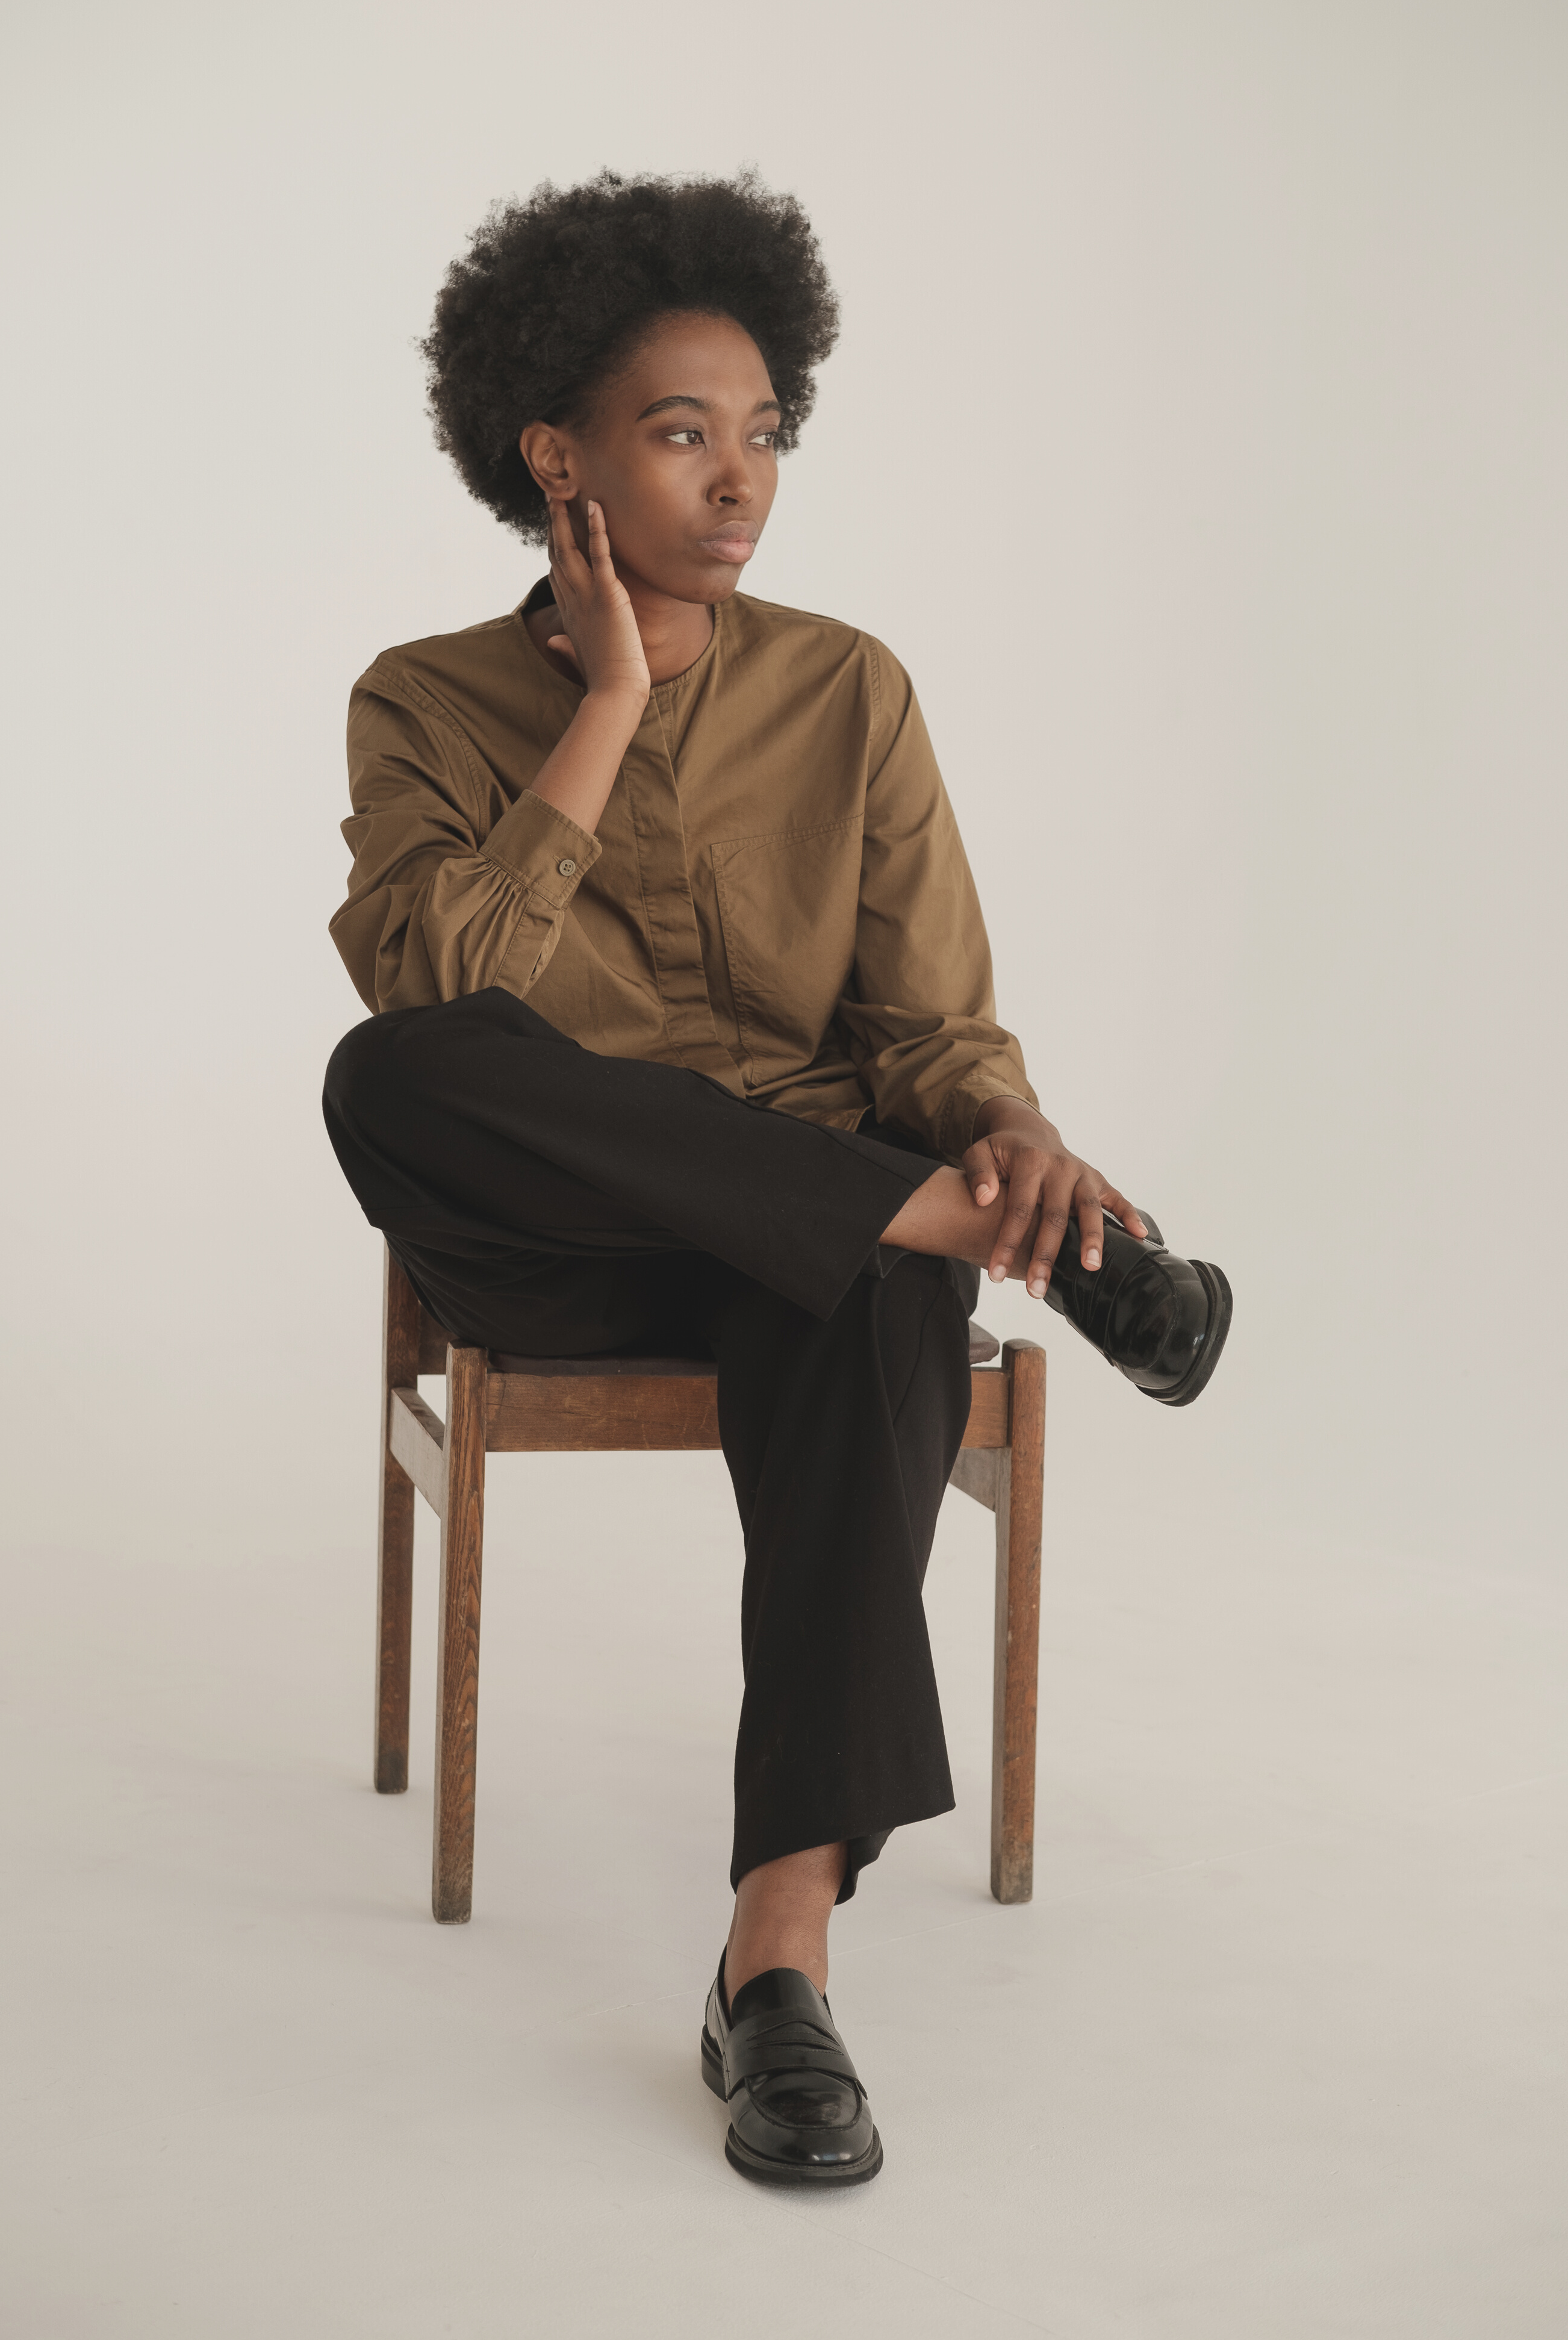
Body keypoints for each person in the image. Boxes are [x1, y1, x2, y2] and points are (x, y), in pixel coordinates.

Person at [323, 169, 1149, 2189]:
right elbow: (451, 984)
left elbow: (928, 1024)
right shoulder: (425, 698)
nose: (741, 478)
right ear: (558, 451)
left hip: (816, 1244)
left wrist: (1005, 1134)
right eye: (685, 430)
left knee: (865, 1251)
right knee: (397, 1068)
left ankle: (776, 1970)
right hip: (570, 1247)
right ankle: (924, 1221)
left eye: (764, 429)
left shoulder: (846, 686)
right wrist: (606, 701)